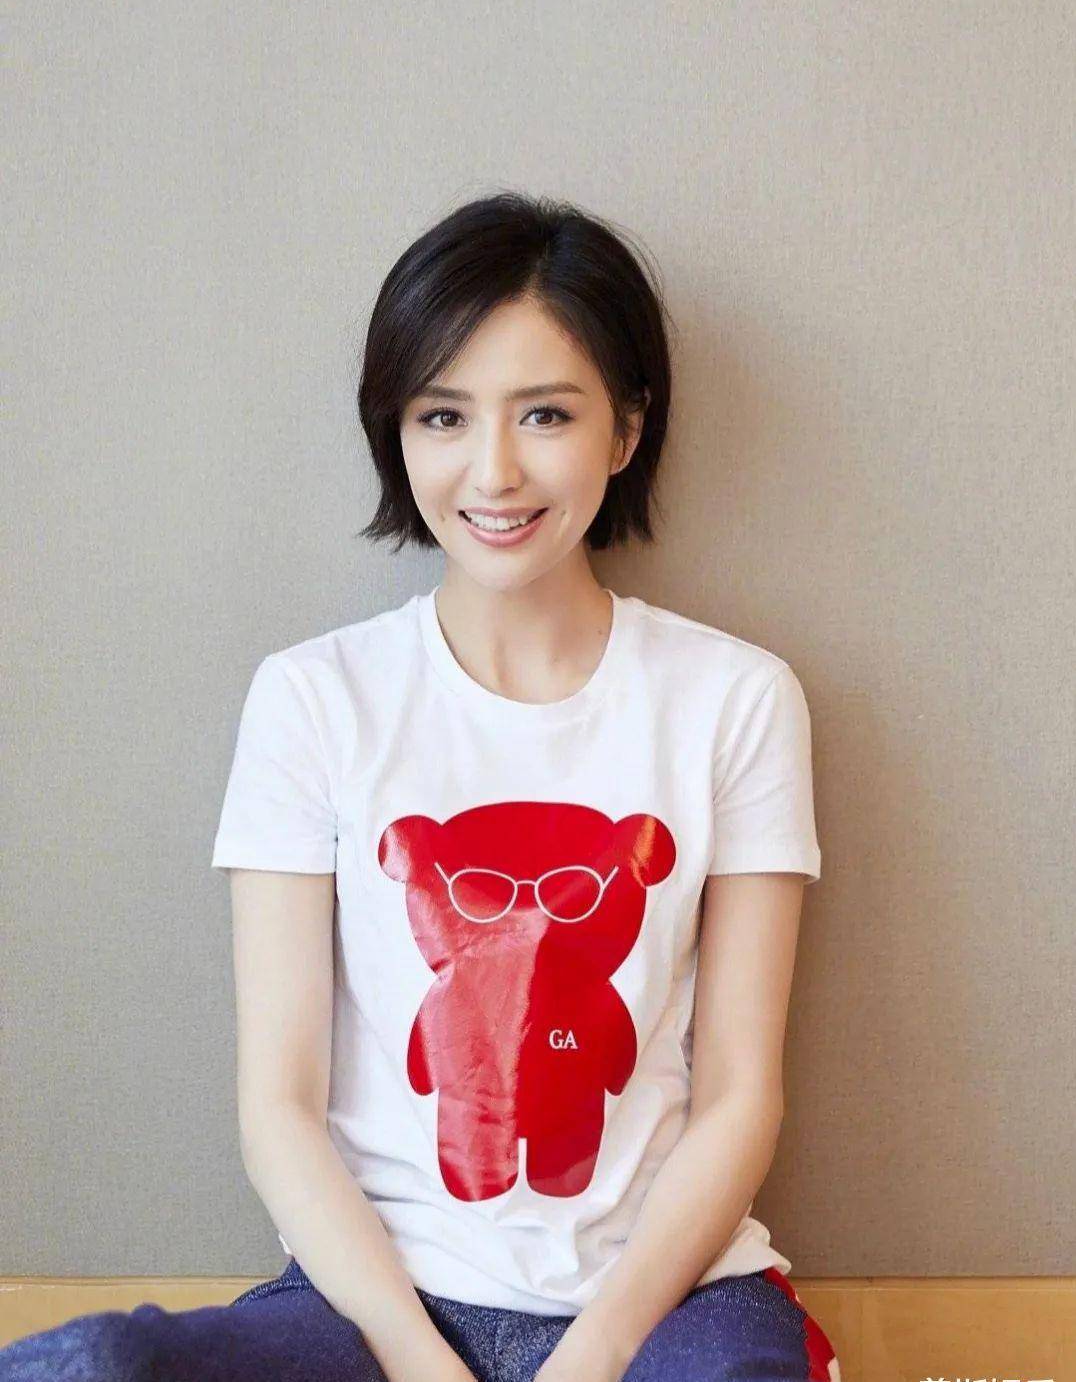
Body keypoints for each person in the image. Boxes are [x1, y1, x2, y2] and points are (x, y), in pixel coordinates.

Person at [0, 192, 841, 1381]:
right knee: (92, 1366)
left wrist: (592, 1355)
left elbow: (740, 1095)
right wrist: (412, 1353)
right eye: (443, 415)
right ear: (396, 430)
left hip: (664, 1307)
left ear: (624, 428)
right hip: (369, 1303)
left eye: (545, 413)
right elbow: (279, 1103)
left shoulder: (733, 698)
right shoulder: (313, 697)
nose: (491, 470)